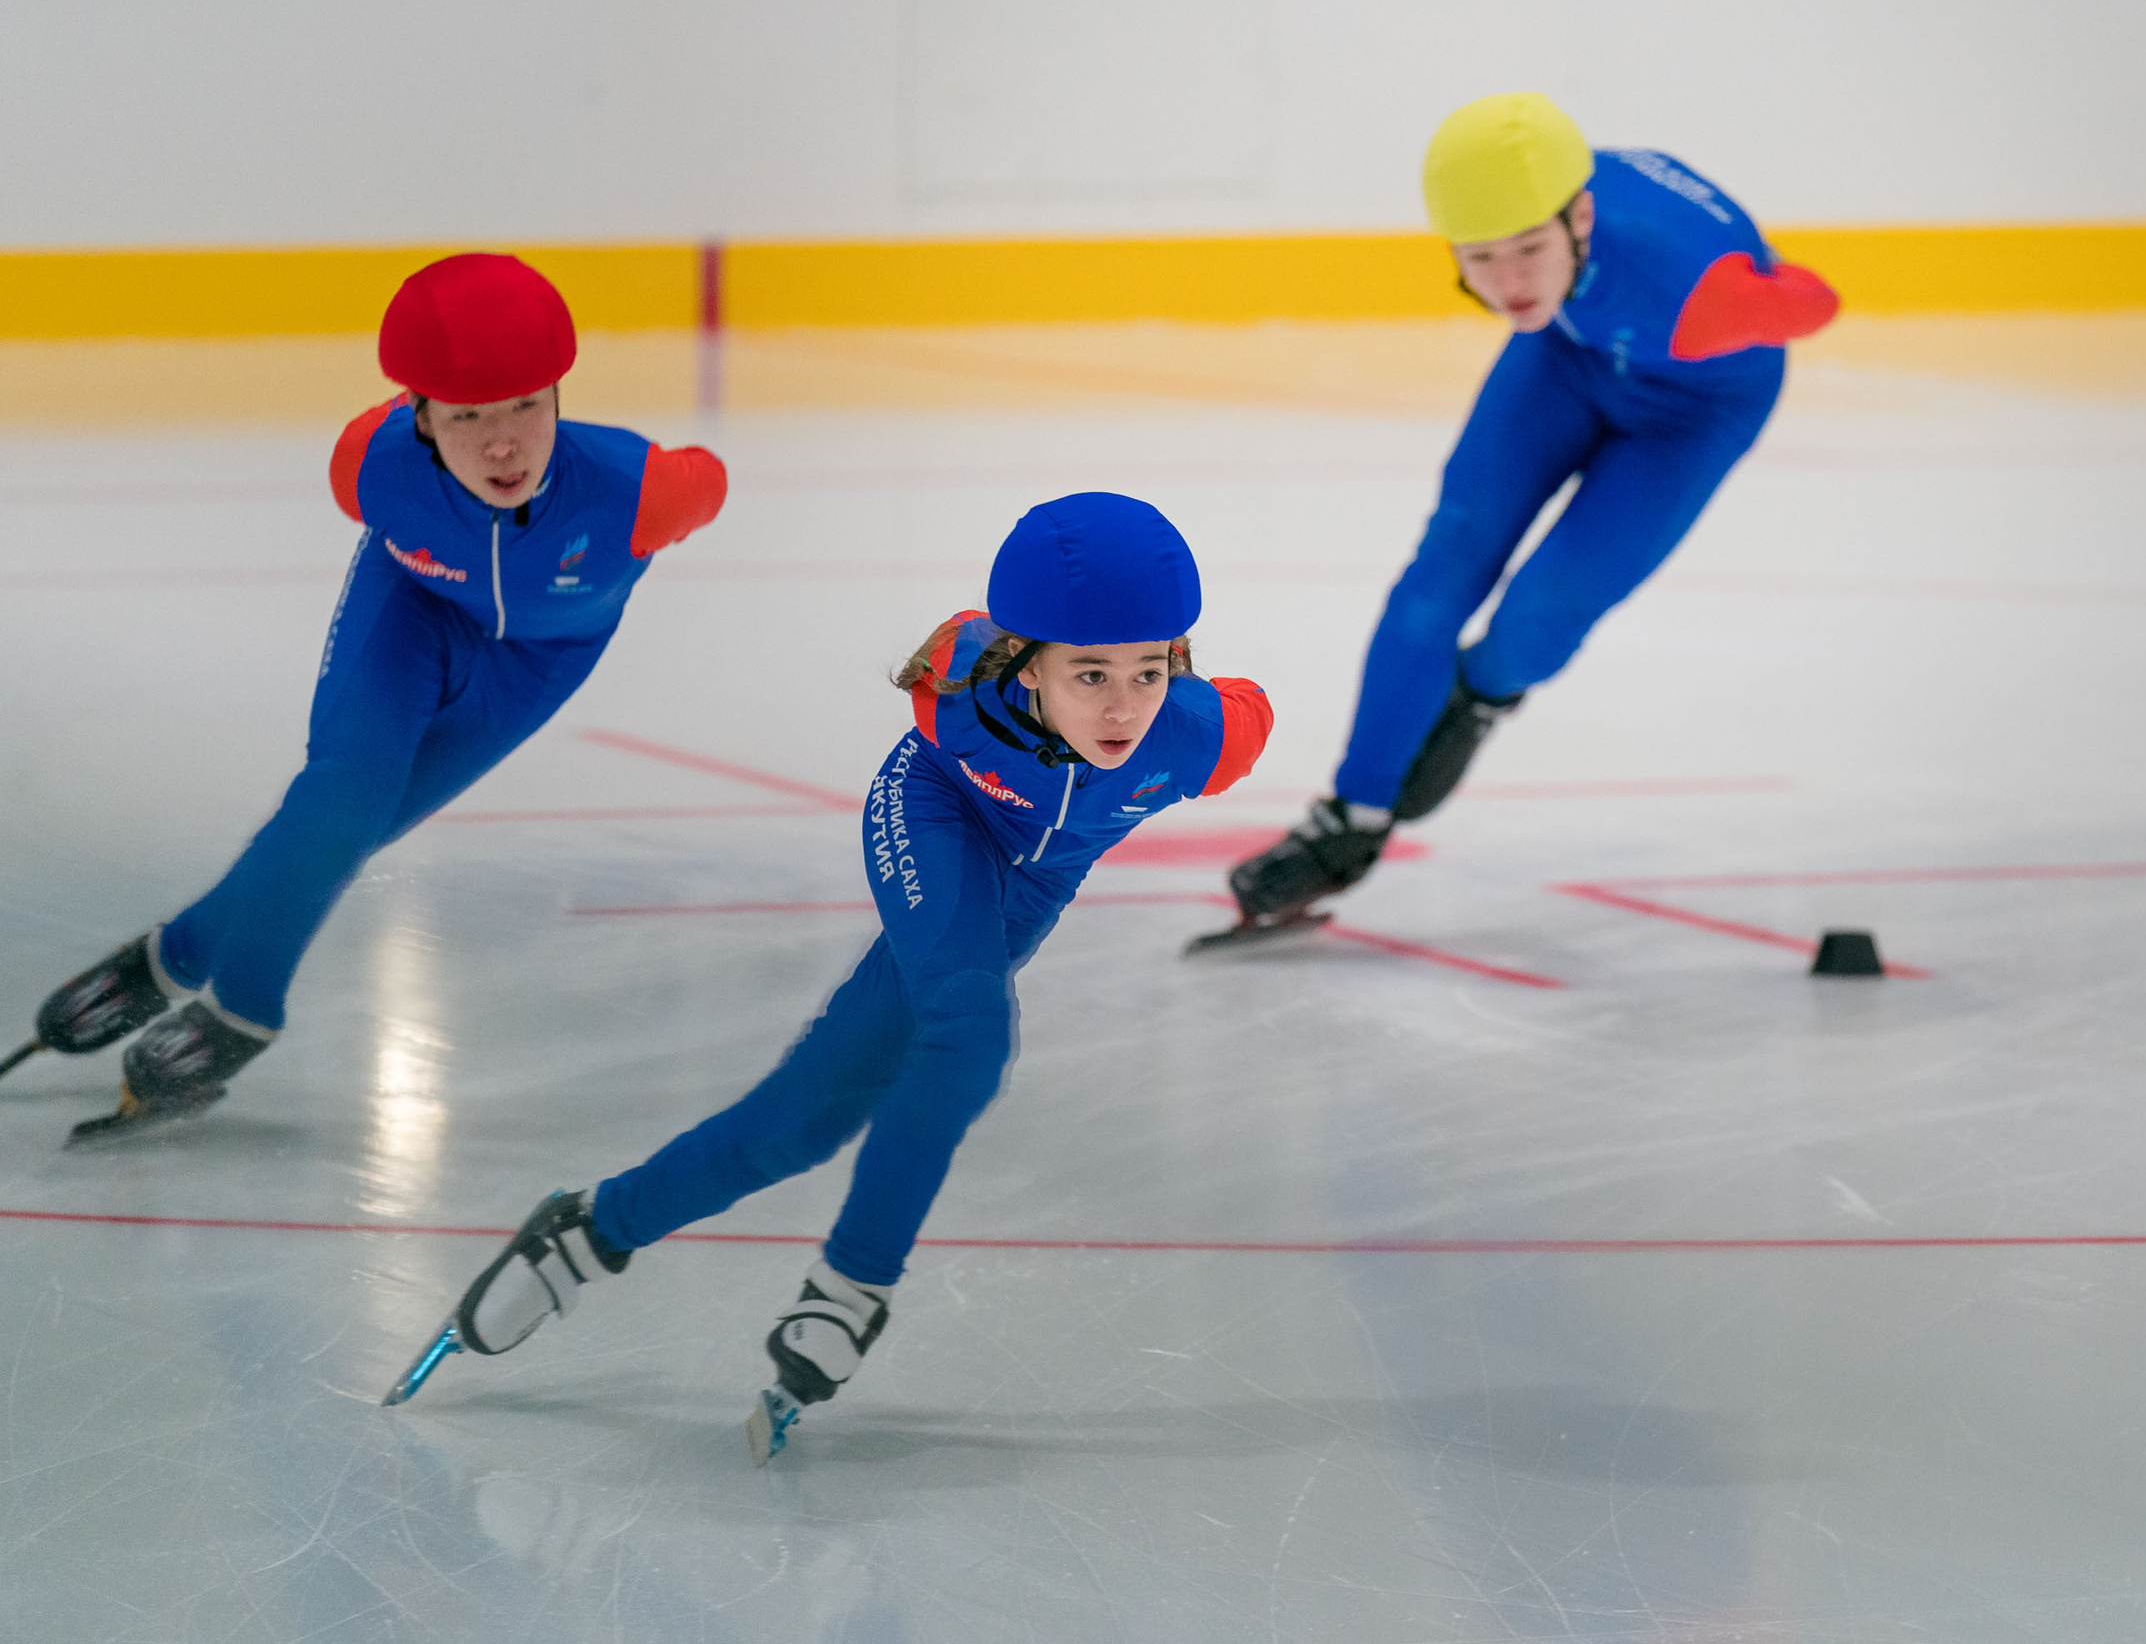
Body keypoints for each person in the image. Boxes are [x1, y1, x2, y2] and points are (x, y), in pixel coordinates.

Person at [385, 492, 1272, 1464]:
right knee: (968, 1034)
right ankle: (851, 1288)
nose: (1121, 708)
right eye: (1089, 673)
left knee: (800, 1125)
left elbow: (1245, 709)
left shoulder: (1202, 736)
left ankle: (589, 1231)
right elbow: (956, 646)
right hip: (936, 819)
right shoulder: (959, 697)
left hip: (1031, 888)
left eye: (1148, 673)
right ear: (1024, 662)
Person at [4, 254, 727, 1142]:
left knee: (353, 828)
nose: (503, 443)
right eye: (466, 416)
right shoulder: (369, 468)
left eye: (526, 407)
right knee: (341, 800)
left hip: (535, 663)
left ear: (558, 397)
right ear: (419, 415)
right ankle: (242, 1012)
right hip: (411, 612)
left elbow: (711, 479)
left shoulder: (641, 492)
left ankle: (179, 951)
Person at [1206, 92, 1837, 944]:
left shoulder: (1689, 279)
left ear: (1580, 216)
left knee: (1538, 617)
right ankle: (1350, 817)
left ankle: (1483, 694)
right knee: (1438, 576)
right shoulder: (1539, 240)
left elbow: (1817, 300)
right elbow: (1529, 273)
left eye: (1531, 251)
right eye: (1480, 258)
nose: (1507, 283)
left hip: (1693, 415)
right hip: (1569, 361)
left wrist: (1754, 303)